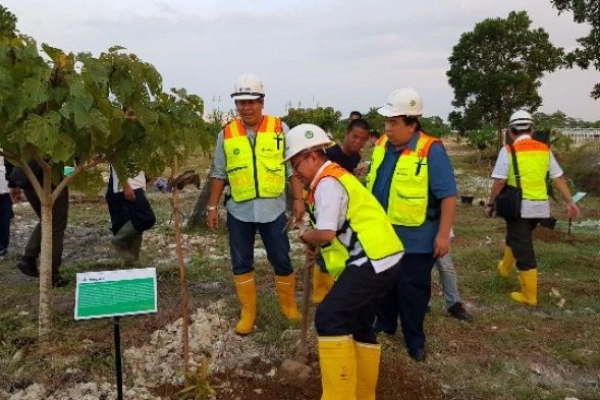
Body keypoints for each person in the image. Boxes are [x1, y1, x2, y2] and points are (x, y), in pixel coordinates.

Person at [285, 123, 403, 400]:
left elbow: (325, 232)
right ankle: (363, 394)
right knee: (359, 323)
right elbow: (337, 229)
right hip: (384, 257)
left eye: (296, 163)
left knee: (329, 318)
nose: (295, 172)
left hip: (373, 259)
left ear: (314, 155)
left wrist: (306, 235)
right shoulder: (331, 179)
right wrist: (316, 242)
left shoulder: (328, 182)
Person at [206, 73, 305, 335]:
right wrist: (212, 207)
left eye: (252, 101)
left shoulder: (279, 129)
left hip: (273, 210)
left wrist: (298, 199)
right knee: (241, 262)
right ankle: (248, 311)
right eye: (241, 102)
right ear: (236, 105)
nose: (246, 107)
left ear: (262, 101)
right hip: (239, 210)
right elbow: (219, 173)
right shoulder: (226, 134)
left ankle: (288, 305)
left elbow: (291, 170)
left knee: (281, 258)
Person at [367, 87, 457, 362]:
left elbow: (448, 195)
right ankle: (385, 324)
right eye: (387, 122)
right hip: (383, 237)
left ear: (412, 123)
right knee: (384, 287)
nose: (388, 127)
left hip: (416, 240)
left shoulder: (431, 150)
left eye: (393, 122)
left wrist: (443, 236)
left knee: (413, 292)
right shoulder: (382, 145)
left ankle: (414, 339)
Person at [486, 110, 579, 306]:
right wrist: (570, 201)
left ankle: (529, 296)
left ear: (511, 131)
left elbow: (499, 182)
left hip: (518, 207)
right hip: (540, 208)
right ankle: (504, 268)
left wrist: (491, 203)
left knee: (524, 249)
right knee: (516, 236)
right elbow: (558, 177)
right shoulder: (544, 149)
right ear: (532, 129)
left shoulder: (508, 151)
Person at [311, 119, 372, 304]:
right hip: (326, 206)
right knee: (324, 248)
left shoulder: (355, 157)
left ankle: (335, 286)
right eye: (354, 137)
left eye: (363, 139)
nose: (357, 142)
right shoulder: (330, 154)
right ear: (346, 134)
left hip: (345, 210)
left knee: (342, 248)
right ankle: (320, 292)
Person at [106, 107, 156, 265]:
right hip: (126, 186)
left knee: (135, 227)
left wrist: (147, 177)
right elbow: (115, 160)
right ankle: (118, 241)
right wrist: (126, 185)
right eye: (130, 114)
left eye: (136, 114)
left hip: (136, 183)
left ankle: (131, 264)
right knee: (146, 218)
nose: (134, 118)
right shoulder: (119, 135)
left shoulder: (138, 135)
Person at [11, 160, 70, 287]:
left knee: (47, 221)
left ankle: (29, 258)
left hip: (28, 180)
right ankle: (51, 275)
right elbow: (69, 157)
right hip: (50, 180)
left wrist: (13, 184)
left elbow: (12, 156)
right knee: (55, 226)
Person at [0, 154, 12, 258]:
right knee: (4, 217)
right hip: (3, 187)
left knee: (4, 218)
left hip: (4, 188)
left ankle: (2, 246)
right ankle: (2, 246)